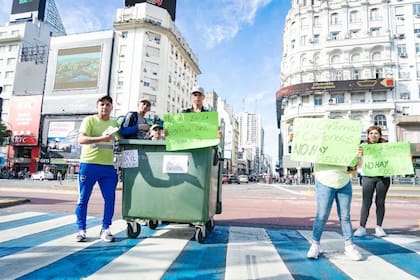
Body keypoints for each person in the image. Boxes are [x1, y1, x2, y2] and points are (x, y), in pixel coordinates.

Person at [75, 95, 119, 243]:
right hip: (89, 164)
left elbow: (124, 135)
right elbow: (81, 139)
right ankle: (81, 230)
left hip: (107, 167)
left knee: (110, 199)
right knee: (83, 198)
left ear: (111, 107)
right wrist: (101, 138)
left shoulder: (114, 123)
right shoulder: (89, 120)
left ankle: (105, 228)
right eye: (102, 104)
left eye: (108, 105)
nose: (104, 107)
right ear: (97, 106)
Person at [307, 160, 363, 261]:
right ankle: (315, 245)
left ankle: (349, 246)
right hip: (325, 180)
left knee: (345, 216)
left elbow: (356, 166)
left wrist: (359, 156)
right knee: (322, 215)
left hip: (344, 181)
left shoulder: (349, 144)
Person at [354, 125, 390, 237]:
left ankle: (379, 227)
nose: (373, 135)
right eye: (371, 133)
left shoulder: (386, 147)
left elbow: (394, 159)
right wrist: (359, 156)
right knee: (366, 202)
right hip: (368, 176)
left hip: (382, 177)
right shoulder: (363, 147)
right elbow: (357, 163)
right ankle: (362, 227)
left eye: (376, 133)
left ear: (380, 135)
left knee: (380, 202)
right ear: (367, 135)